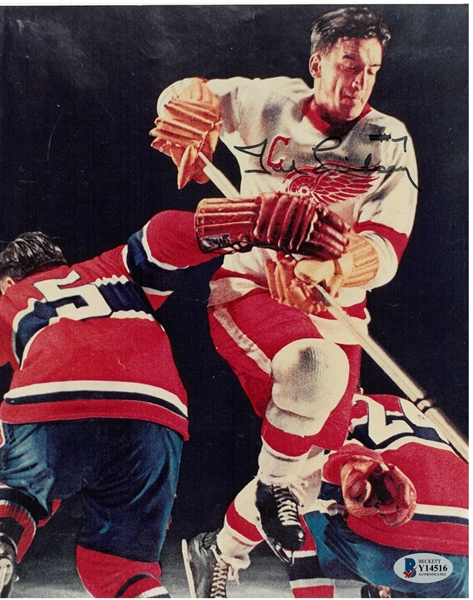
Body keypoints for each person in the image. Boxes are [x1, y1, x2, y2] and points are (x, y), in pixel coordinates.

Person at [150, 5, 418, 557]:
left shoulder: (388, 139)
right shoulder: (268, 101)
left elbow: (386, 246)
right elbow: (187, 93)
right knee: (317, 373)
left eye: (370, 69)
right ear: (317, 63)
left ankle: (218, 552)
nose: (359, 80)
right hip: (250, 288)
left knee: (313, 469)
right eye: (348, 64)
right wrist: (189, 111)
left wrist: (336, 268)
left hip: (334, 308)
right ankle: (272, 491)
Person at [0, 195, 343, 598]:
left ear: (5, 281)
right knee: (118, 567)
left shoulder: (8, 300)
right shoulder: (112, 268)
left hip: (54, 399)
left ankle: (2, 536)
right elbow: (163, 238)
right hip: (155, 414)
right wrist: (254, 219)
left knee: (12, 485)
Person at [182, 392, 468, 598]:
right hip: (463, 565)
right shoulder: (414, 413)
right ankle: (392, 591)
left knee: (287, 493)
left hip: (390, 559)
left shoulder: (334, 406)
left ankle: (219, 553)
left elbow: (282, 484)